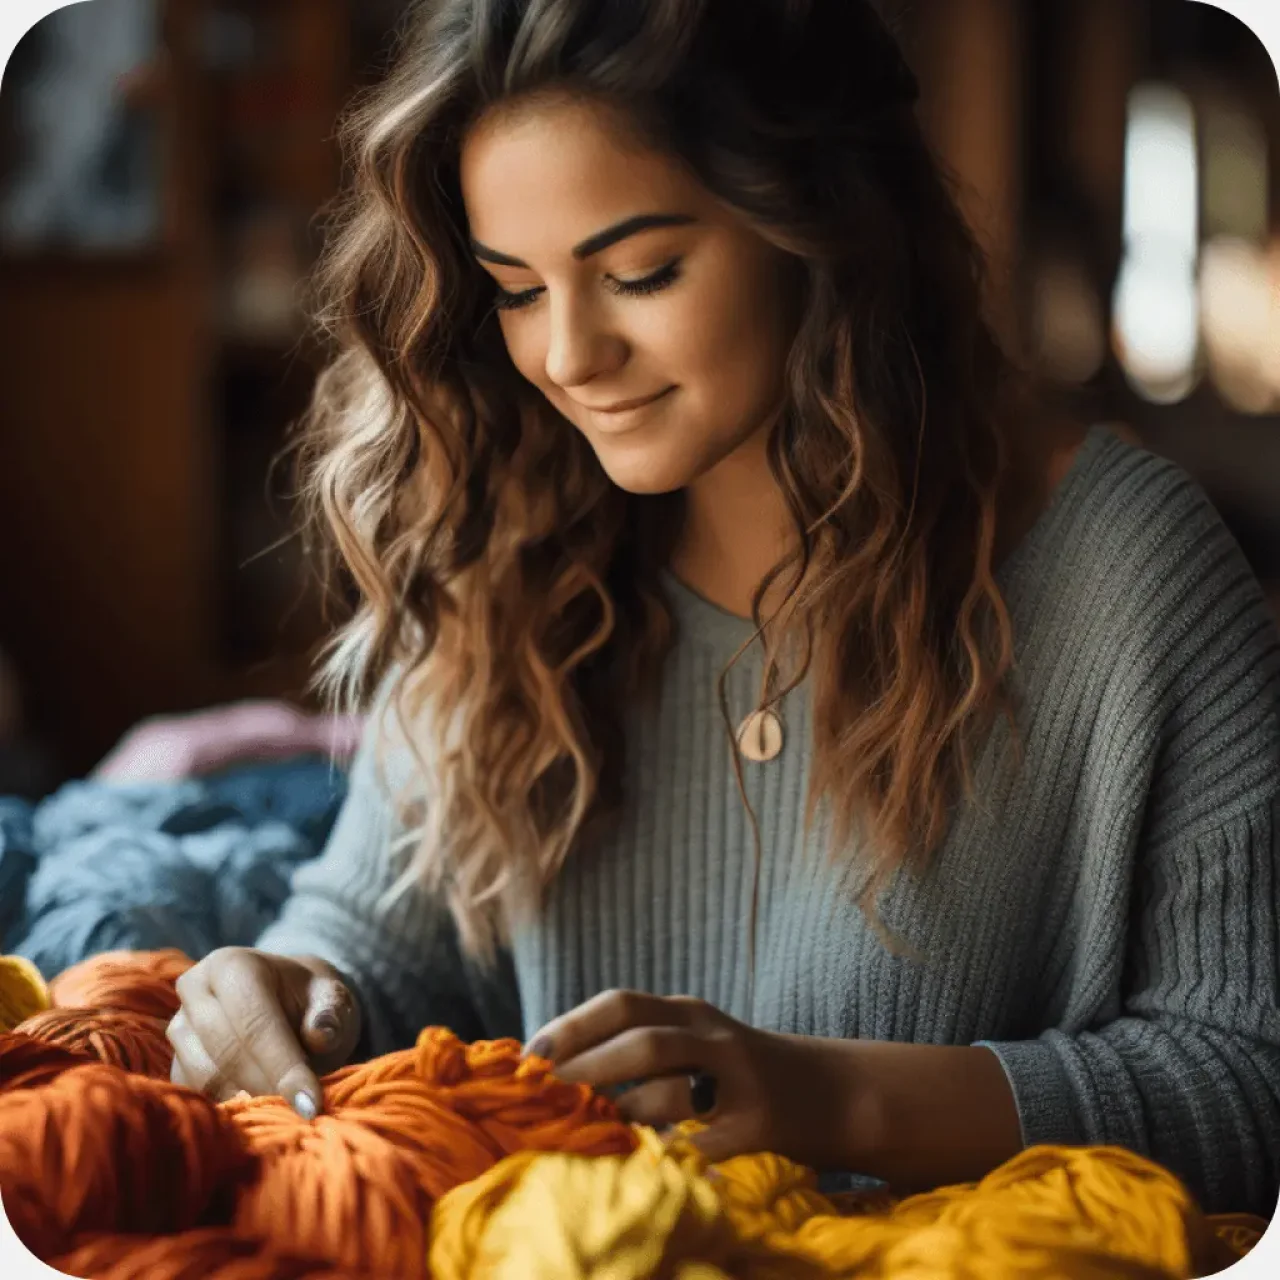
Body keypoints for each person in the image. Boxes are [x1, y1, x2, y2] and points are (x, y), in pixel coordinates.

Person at [164, 0, 1280, 1216]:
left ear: (822, 227)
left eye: (638, 271)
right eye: (517, 290)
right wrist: (289, 987)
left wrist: (830, 1098)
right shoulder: (503, 556)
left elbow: (1243, 1081)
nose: (570, 356)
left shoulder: (1125, 568)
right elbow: (387, 936)